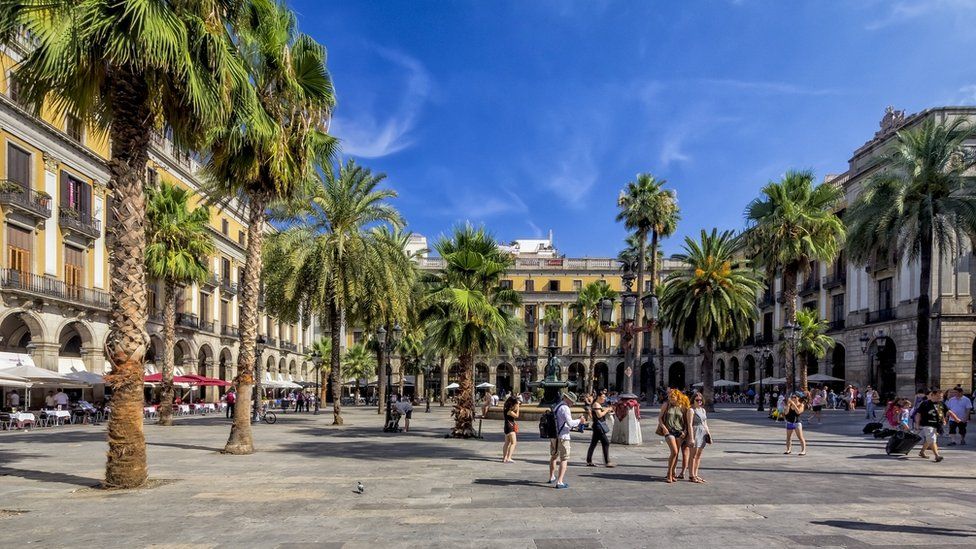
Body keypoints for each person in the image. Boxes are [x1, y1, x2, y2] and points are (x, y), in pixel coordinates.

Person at [548, 391, 585, 489]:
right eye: (571, 401)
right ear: (566, 398)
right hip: (563, 436)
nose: (572, 403)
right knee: (564, 458)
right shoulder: (565, 408)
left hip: (554, 435)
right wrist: (580, 421)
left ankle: (552, 476)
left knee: (553, 456)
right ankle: (560, 482)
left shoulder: (557, 406)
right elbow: (570, 423)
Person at [658, 388, 689, 483]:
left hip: (679, 432)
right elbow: (660, 418)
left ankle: (673, 473)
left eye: (673, 397)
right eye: (670, 397)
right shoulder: (666, 405)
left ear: (678, 397)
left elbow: (686, 421)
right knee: (674, 452)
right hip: (669, 431)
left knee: (676, 453)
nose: (671, 399)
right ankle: (669, 473)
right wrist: (665, 429)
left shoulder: (682, 407)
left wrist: (685, 431)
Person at [914, 388, 954, 462]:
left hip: (937, 425)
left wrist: (944, 419)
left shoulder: (941, 403)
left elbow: (943, 412)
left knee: (930, 439)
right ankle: (937, 456)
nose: (941, 398)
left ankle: (922, 452)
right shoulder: (925, 403)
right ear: (933, 395)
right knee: (932, 439)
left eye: (941, 396)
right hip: (927, 424)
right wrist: (917, 424)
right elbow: (918, 414)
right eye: (939, 396)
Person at [687, 392, 712, 483]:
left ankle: (696, 474)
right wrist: (691, 437)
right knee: (693, 456)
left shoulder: (703, 410)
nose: (699, 401)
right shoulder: (691, 410)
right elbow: (689, 424)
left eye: (701, 400)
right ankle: (691, 475)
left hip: (703, 432)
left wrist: (709, 435)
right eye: (697, 400)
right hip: (695, 431)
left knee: (698, 456)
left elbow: (705, 423)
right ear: (693, 400)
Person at [585, 391, 615, 468]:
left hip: (597, 426)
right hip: (598, 427)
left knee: (593, 444)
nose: (604, 398)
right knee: (606, 442)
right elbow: (599, 415)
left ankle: (589, 460)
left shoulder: (598, 404)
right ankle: (607, 461)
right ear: (598, 397)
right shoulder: (596, 404)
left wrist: (607, 409)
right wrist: (606, 410)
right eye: (603, 397)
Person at [501, 395, 520, 463]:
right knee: (513, 443)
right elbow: (517, 416)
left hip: (506, 426)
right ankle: (509, 457)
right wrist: (518, 408)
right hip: (510, 427)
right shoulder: (510, 411)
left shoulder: (506, 408)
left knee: (507, 443)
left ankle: (504, 458)